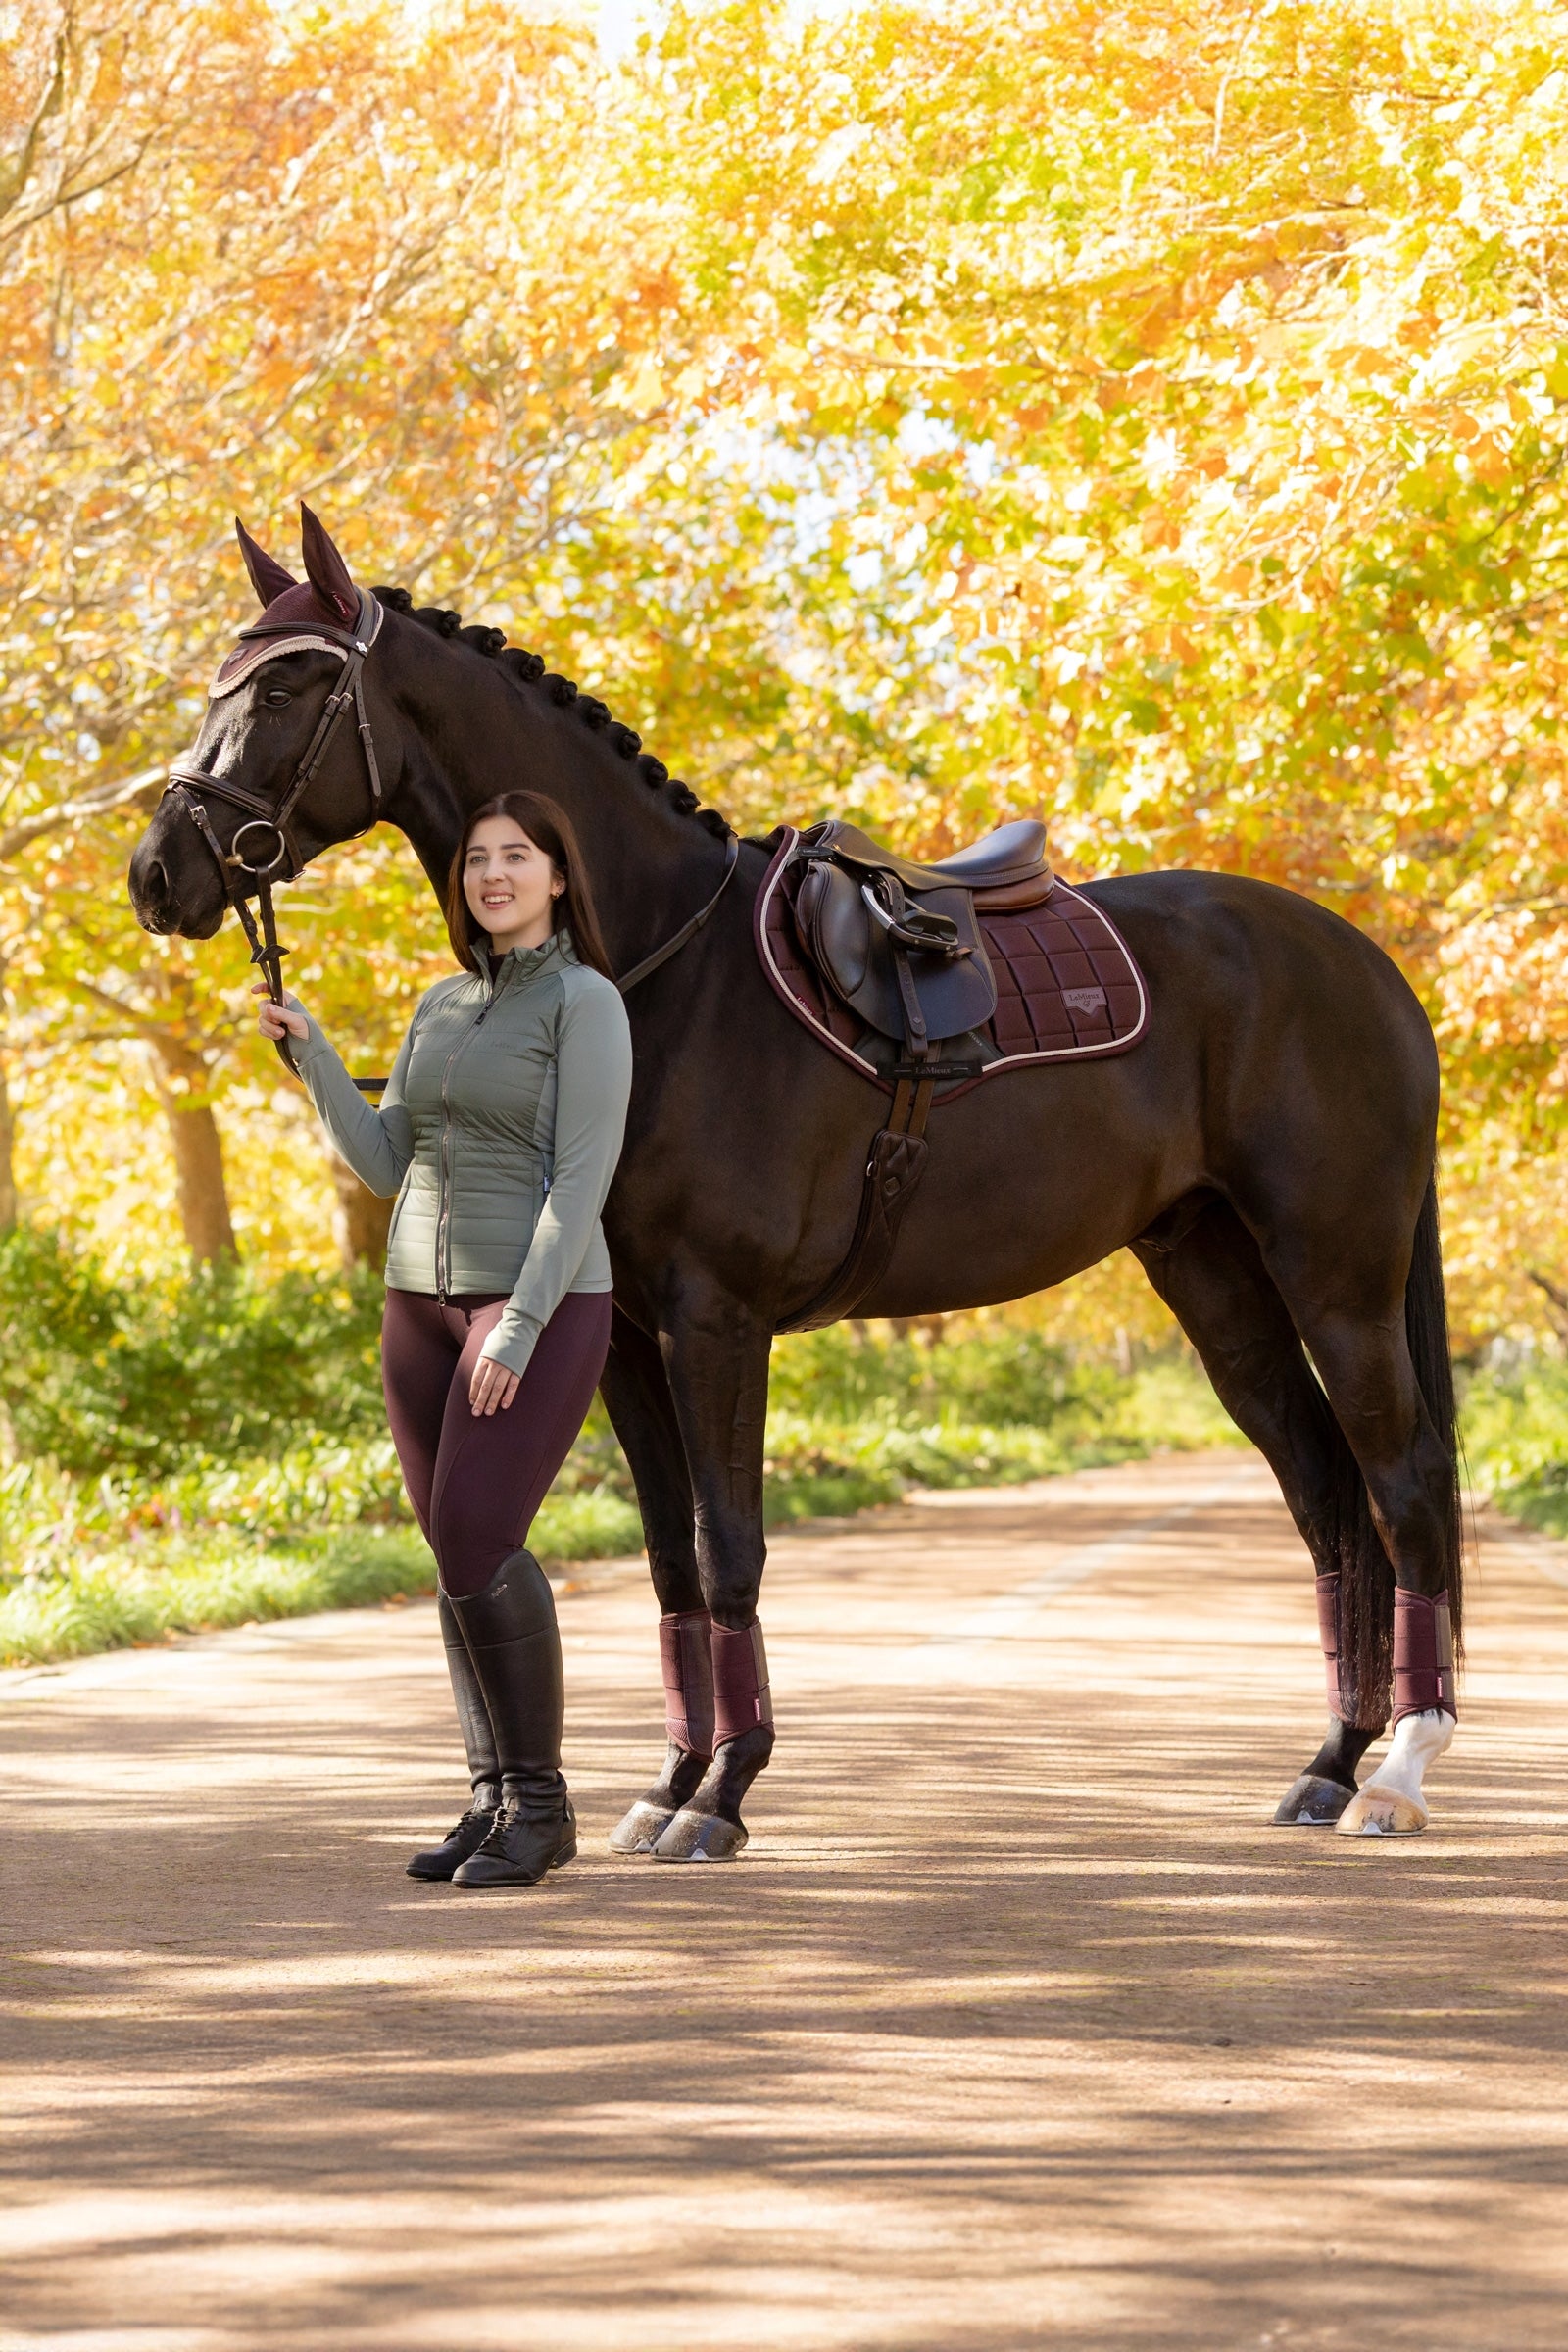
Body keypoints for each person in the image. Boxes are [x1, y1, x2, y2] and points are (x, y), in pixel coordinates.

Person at [257, 791, 633, 1890]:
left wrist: (518, 1325)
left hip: (540, 1303)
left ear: (557, 877)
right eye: (477, 859)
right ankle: (492, 1798)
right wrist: (316, 1060)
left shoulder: (585, 1002)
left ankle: (546, 1806)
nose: (493, 875)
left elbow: (582, 1178)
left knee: (478, 1534)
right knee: (454, 1559)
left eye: (517, 857)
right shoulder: (440, 1004)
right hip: (415, 1305)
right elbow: (386, 1162)